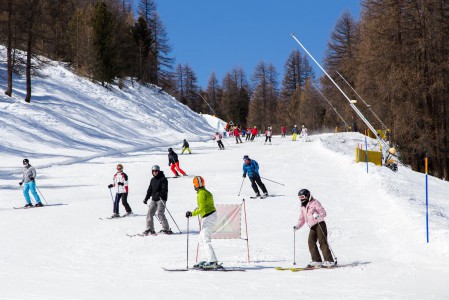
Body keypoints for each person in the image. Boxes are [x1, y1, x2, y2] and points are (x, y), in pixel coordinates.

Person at [293, 189, 335, 268]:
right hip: (312, 226)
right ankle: (317, 260)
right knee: (311, 242)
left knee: (322, 242)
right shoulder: (302, 207)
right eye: (299, 197)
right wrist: (297, 226)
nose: (301, 199)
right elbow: (301, 219)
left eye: (302, 197)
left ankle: (329, 261)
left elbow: (323, 213)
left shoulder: (315, 203)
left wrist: (318, 216)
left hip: (319, 224)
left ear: (307, 195)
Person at [185, 176, 219, 269]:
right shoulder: (205, 192)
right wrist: (198, 210)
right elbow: (205, 206)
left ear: (195, 185)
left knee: (205, 238)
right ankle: (206, 259)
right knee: (201, 239)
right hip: (208, 216)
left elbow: (202, 208)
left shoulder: (201, 194)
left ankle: (212, 261)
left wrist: (192, 213)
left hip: (209, 216)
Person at [143, 165, 173, 235]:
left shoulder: (163, 179)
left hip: (161, 199)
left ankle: (166, 229)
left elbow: (165, 189)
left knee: (160, 213)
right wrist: (146, 198)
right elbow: (149, 190)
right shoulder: (152, 180)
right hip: (154, 199)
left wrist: (160, 194)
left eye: (156, 171)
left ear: (158, 171)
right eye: (153, 171)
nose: (155, 172)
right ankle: (150, 228)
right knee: (150, 213)